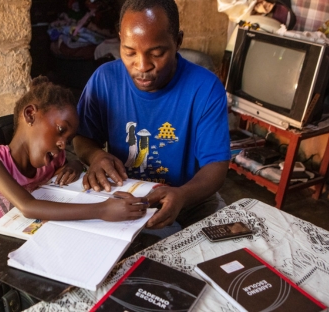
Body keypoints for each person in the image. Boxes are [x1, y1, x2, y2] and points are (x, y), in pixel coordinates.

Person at [73, 0, 231, 233]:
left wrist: (183, 195)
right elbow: (81, 138)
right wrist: (96, 155)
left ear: (177, 42)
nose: (142, 66)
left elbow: (216, 165)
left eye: (157, 53)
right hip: (126, 194)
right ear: (120, 40)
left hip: (189, 194)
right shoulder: (105, 80)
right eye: (129, 52)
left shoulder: (205, 88)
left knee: (225, 246)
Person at [0, 76, 149, 225]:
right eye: (60, 130)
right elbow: (27, 207)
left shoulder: (53, 161)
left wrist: (74, 165)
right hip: (0, 248)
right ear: (30, 114)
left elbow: (71, 166)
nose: (62, 145)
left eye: (67, 140)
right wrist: (102, 210)